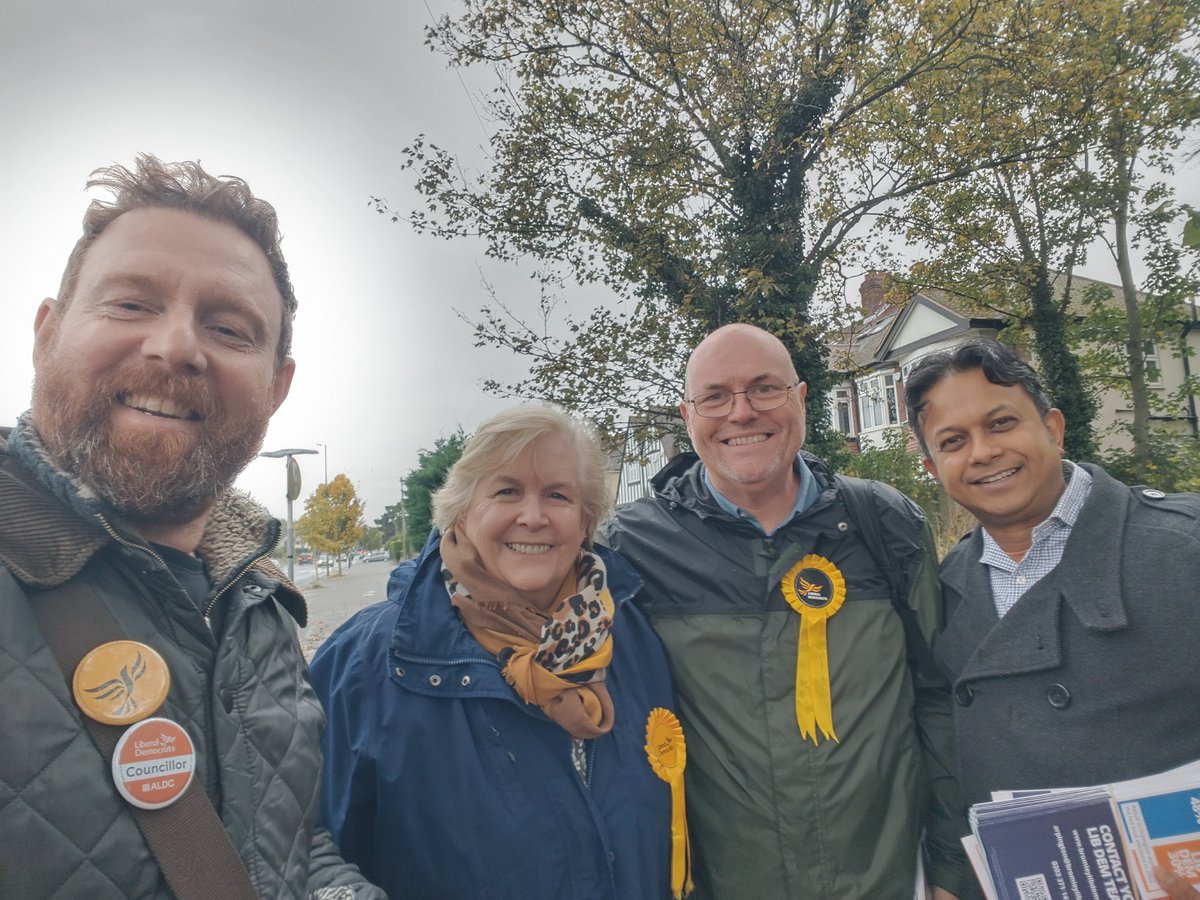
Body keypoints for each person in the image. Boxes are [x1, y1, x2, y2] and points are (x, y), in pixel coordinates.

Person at [0, 155, 383, 899]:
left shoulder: (260, 608)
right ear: (47, 333)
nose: (177, 347)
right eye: (132, 305)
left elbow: (288, 844)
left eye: (229, 327)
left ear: (277, 386)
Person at [607, 323, 969, 899]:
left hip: (889, 883)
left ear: (800, 399)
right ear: (688, 414)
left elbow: (941, 697)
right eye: (716, 396)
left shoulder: (885, 522)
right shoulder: (633, 544)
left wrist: (953, 870)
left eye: (764, 388)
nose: (741, 412)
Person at [311, 405, 688, 900]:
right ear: (463, 511)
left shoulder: (634, 634)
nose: (532, 517)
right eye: (507, 491)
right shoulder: (364, 662)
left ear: (585, 519)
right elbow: (301, 847)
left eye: (557, 495)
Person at [906, 337, 1200, 900]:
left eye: (1000, 423)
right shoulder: (944, 590)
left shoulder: (1182, 550)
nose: (983, 452)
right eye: (953, 441)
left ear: (1054, 427)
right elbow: (947, 756)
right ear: (933, 467)